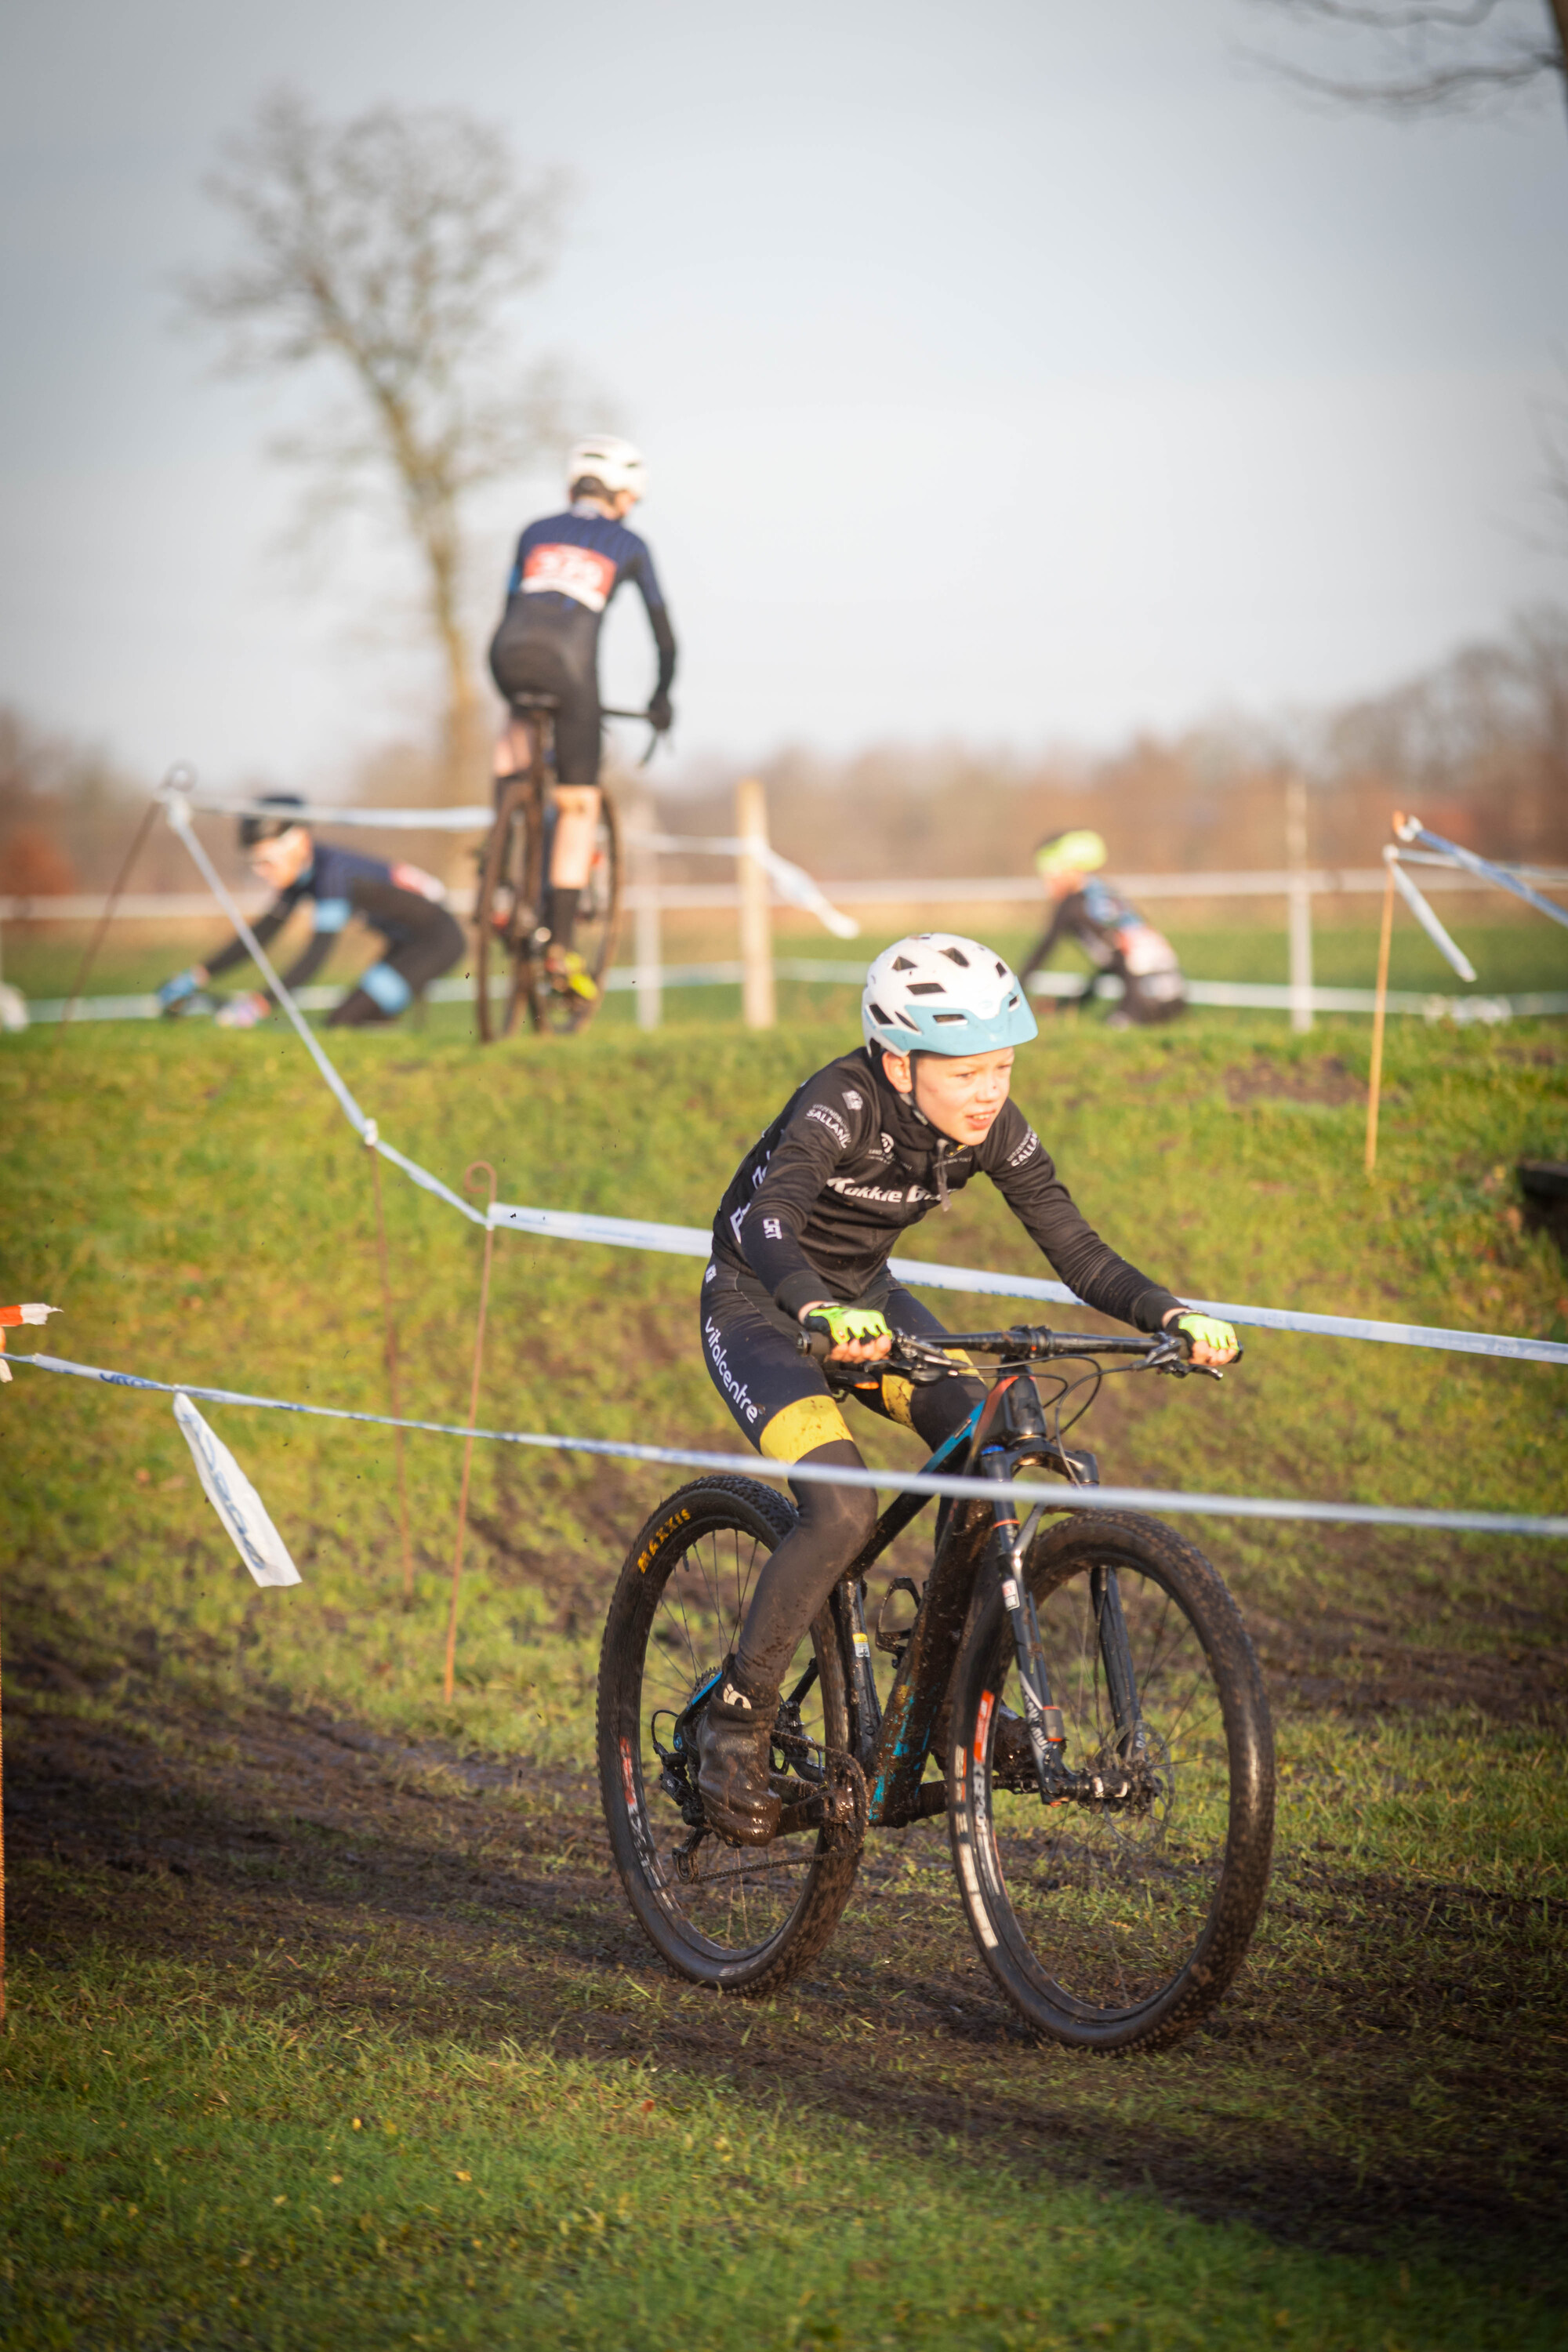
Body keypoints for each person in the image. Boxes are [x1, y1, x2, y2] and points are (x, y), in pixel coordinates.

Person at [695, 931, 1238, 1846]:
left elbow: (1074, 1247)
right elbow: (768, 1221)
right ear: (900, 1063)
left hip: (868, 1302)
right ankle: (733, 1725)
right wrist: (816, 1311)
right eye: (968, 1071)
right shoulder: (840, 1103)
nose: (990, 1090)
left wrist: (1168, 1315)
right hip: (761, 1305)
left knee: (989, 1439)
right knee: (840, 1512)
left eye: (1003, 1066)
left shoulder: (990, 1127)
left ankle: (947, 1692)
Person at [488, 434, 677, 1003]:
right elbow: (664, 637)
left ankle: (499, 876)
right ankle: (559, 950)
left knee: (515, 737)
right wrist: (661, 698)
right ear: (622, 496)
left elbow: (510, 607)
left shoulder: (532, 532)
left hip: (506, 654)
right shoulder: (629, 542)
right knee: (577, 805)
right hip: (571, 670)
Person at [156, 796, 465, 1030]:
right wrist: (196, 975)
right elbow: (262, 935)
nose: (262, 873)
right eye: (255, 864)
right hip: (406, 944)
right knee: (344, 1023)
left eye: (267, 863)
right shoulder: (304, 873)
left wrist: (259, 1006)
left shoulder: (332, 876)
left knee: (343, 1023)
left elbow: (316, 956)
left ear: (299, 843)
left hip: (438, 942)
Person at [1021, 829, 1185, 1027]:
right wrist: (1070, 1004)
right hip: (1175, 1002)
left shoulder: (1072, 906)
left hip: (1144, 1000)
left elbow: (1043, 952)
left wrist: (1014, 997)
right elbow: (1113, 963)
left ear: (1071, 871)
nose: (1047, 886)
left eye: (1052, 877)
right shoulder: (1103, 892)